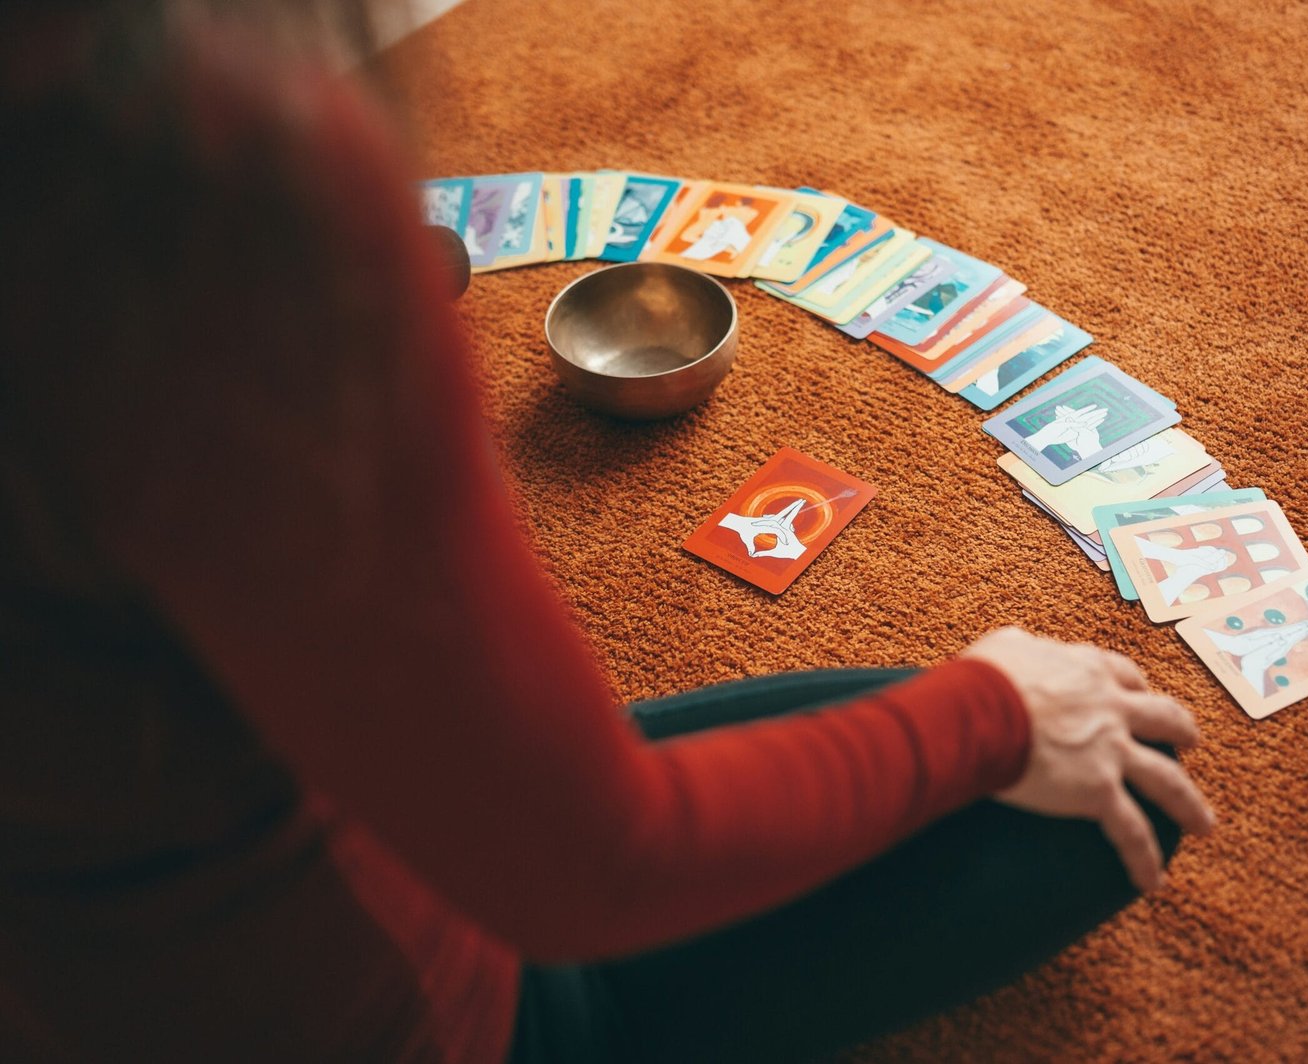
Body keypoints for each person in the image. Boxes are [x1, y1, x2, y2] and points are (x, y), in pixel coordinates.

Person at [0, 3, 1214, 1061]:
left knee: (962, 727)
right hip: (414, 1000)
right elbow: (592, 868)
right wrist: (993, 714)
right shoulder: (202, 199)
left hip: (107, 963)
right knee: (1099, 787)